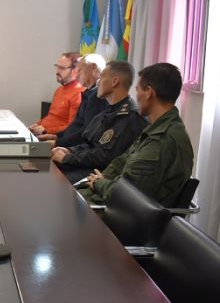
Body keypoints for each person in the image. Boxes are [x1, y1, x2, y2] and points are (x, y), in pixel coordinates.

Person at [79, 63, 194, 207]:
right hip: (112, 204)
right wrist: (102, 180)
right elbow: (122, 161)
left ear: (148, 92)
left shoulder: (162, 140)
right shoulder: (157, 128)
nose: (136, 96)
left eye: (137, 90)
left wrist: (99, 183)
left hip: (122, 218)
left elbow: (125, 196)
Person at [51, 61, 147, 183]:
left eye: (102, 77)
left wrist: (68, 158)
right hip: (85, 166)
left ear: (114, 81)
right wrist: (70, 150)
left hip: (101, 176)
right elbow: (89, 144)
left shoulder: (130, 117)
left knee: (55, 181)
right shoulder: (106, 112)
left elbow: (105, 157)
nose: (98, 81)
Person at [39, 53, 108, 147]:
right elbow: (75, 126)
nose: (76, 74)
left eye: (80, 69)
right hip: (67, 143)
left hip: (75, 149)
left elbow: (86, 133)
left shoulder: (97, 96)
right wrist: (55, 136)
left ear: (93, 68)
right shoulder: (88, 92)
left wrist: (57, 143)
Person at [29, 52, 86, 135]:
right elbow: (51, 117)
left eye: (62, 68)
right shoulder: (59, 90)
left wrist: (45, 131)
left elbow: (72, 128)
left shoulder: (78, 93)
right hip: (42, 134)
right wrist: (37, 125)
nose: (57, 71)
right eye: (57, 67)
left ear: (75, 71)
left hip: (53, 139)